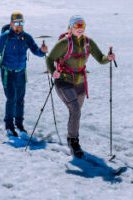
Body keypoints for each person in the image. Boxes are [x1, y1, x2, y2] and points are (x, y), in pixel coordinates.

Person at [45, 15, 115, 158]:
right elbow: (50, 58)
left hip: (81, 83)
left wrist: (108, 58)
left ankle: (72, 138)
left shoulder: (88, 43)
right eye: (76, 26)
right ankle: (73, 142)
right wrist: (53, 72)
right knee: (75, 109)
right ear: (70, 27)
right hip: (64, 81)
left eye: (82, 26)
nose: (80, 28)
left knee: (75, 113)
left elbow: (100, 59)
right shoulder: (65, 43)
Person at [0, 12, 48, 137]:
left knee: (20, 99)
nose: (19, 26)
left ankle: (19, 124)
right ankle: (9, 126)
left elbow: (35, 50)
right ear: (11, 24)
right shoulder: (4, 37)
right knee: (11, 98)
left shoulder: (26, 37)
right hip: (7, 73)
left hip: (21, 73)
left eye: (21, 23)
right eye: (16, 23)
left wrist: (42, 52)